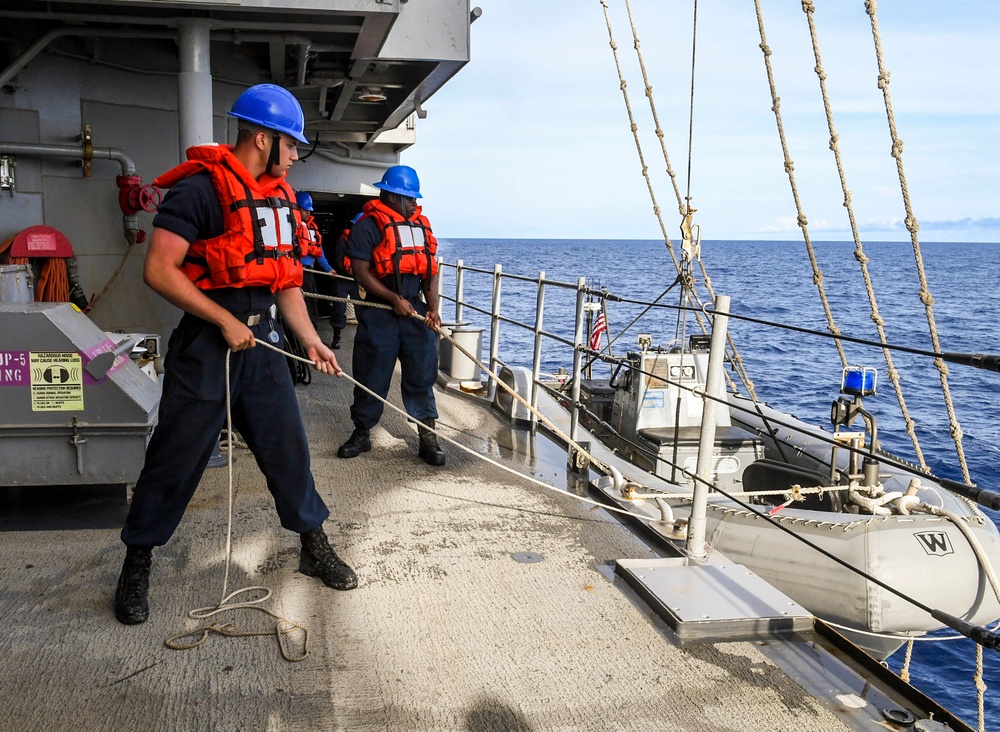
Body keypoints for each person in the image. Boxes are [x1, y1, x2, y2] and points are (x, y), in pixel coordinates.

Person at [114, 83, 357, 626]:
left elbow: (286, 283)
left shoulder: (279, 201)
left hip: (265, 346)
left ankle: (313, 547)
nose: (296, 156)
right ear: (264, 139)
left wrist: (310, 340)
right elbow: (159, 269)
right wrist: (223, 320)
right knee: (175, 459)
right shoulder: (200, 191)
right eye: (291, 145)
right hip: (206, 348)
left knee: (288, 452)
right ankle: (137, 560)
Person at [336, 165, 446, 466]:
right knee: (371, 373)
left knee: (422, 374)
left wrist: (433, 307)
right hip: (380, 310)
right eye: (409, 198)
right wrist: (392, 298)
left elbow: (430, 271)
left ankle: (427, 436)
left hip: (415, 311)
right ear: (391, 195)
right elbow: (360, 272)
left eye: (414, 199)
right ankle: (362, 431)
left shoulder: (422, 226)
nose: (414, 203)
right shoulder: (368, 225)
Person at [295, 190, 334, 329]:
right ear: (296, 208)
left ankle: (312, 332)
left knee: (311, 301)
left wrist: (328, 269)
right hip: (296, 272)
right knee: (300, 303)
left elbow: (319, 251)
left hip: (309, 273)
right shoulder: (290, 225)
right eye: (305, 210)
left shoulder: (311, 228)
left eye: (309, 210)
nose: (308, 213)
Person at [328, 212, 363, 349]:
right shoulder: (343, 240)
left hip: (358, 280)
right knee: (339, 308)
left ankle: (362, 338)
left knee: (361, 309)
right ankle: (336, 337)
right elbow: (339, 261)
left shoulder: (366, 242)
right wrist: (351, 272)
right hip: (342, 278)